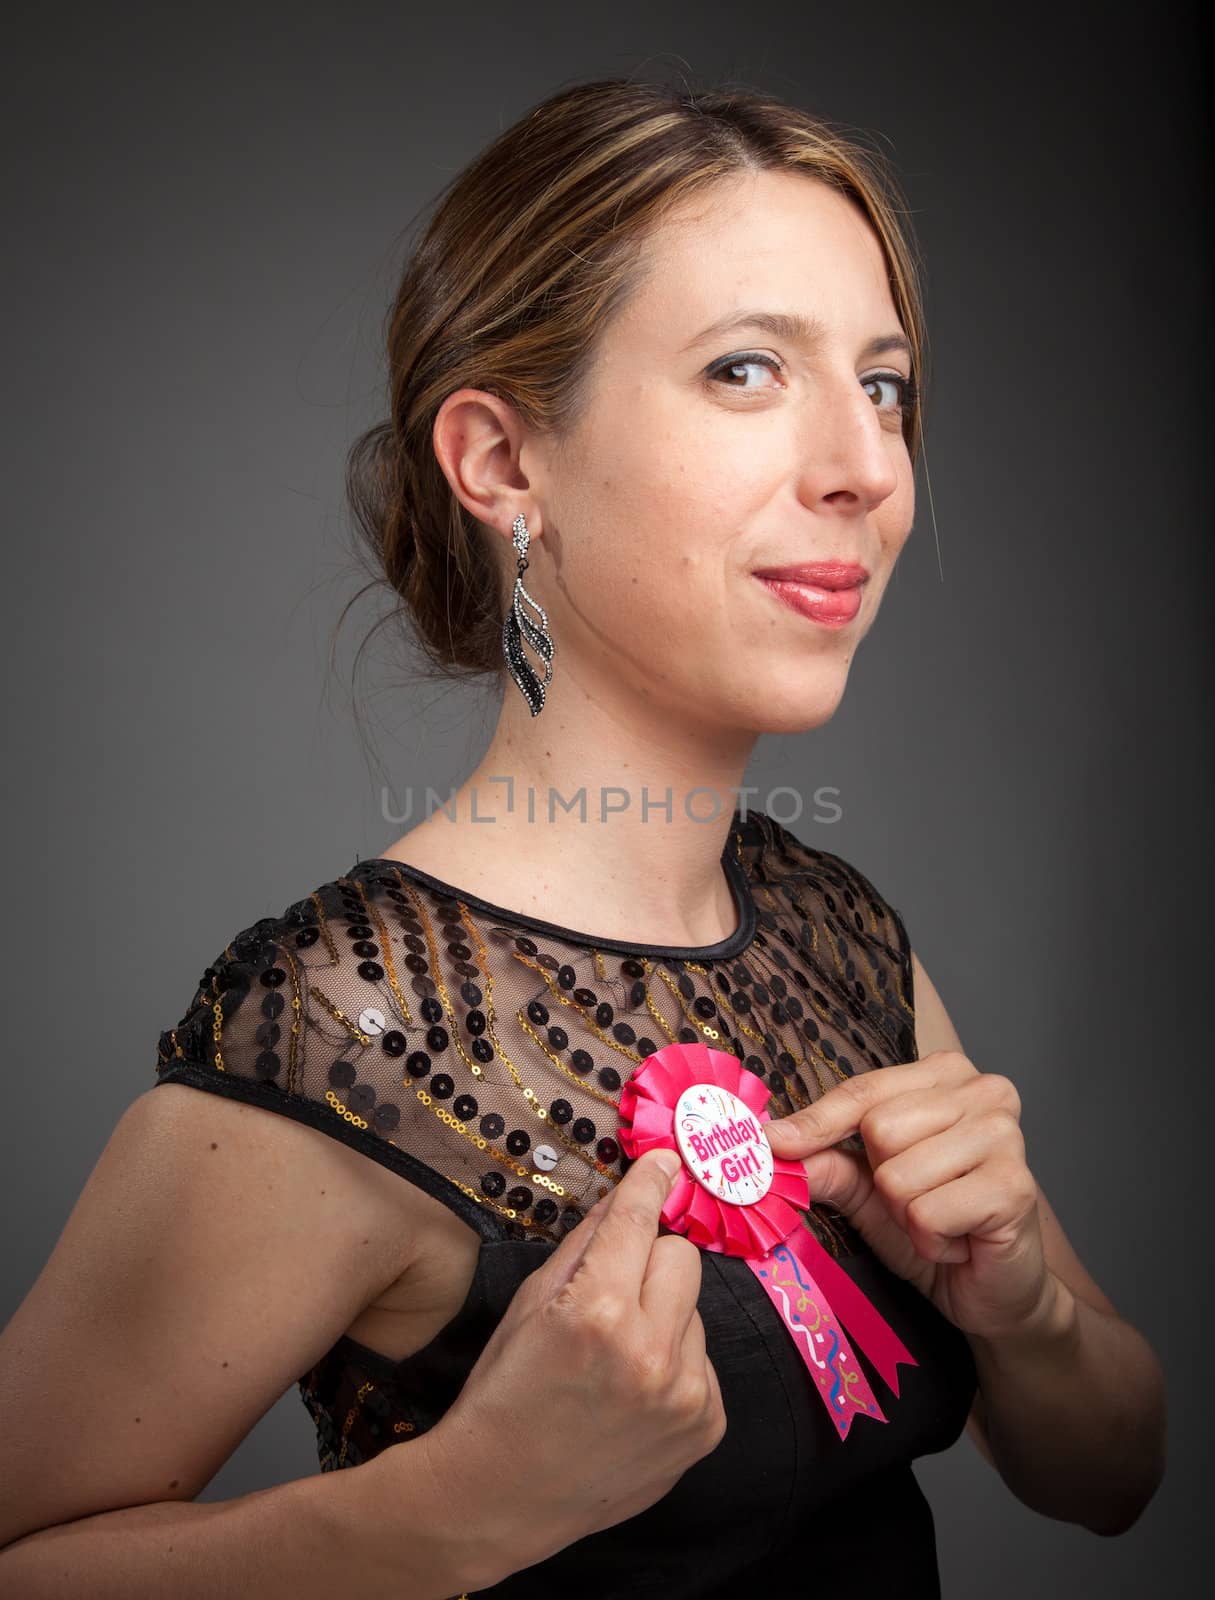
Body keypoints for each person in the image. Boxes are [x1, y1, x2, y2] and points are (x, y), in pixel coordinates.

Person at [0, 76, 1165, 1598]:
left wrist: (1033, 1317)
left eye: (883, 385)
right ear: (500, 466)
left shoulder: (836, 933)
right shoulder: (347, 1028)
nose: (869, 469)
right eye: (749, 369)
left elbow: (1115, 1478)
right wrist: (446, 1515)